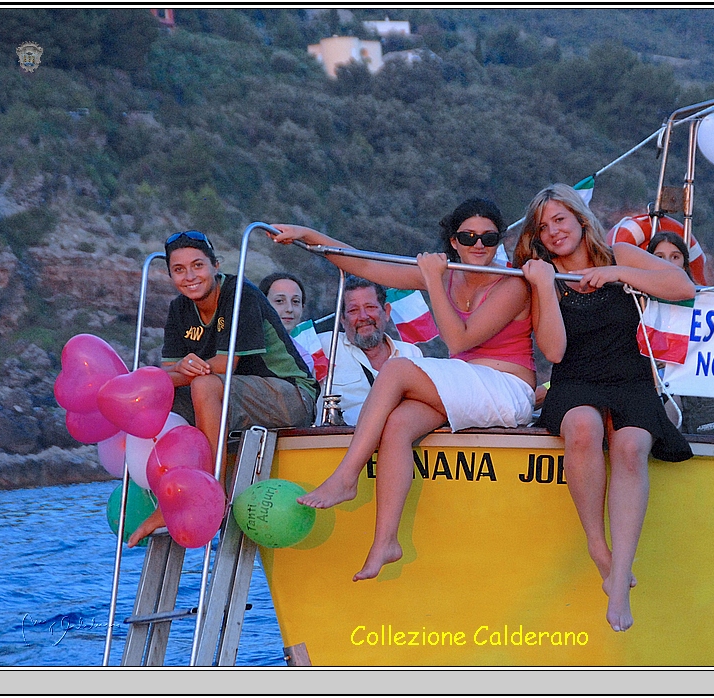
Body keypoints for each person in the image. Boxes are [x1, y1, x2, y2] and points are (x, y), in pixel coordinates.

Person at [271, 198, 535, 581]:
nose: (479, 245)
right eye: (469, 237)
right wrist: (308, 235)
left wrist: (431, 280)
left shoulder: (512, 283)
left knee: (395, 370)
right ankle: (386, 541)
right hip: (464, 385)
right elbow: (363, 264)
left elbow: (458, 341)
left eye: (489, 238)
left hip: (506, 389)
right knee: (397, 424)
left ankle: (346, 476)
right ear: (454, 241)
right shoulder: (446, 273)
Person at [515, 184, 694, 633]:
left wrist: (618, 275)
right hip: (576, 380)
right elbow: (554, 351)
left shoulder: (617, 253)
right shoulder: (546, 275)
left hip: (630, 378)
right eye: (544, 227)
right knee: (581, 428)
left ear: (579, 217)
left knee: (632, 447)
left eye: (560, 219)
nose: (554, 231)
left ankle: (618, 581)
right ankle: (599, 549)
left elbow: (681, 285)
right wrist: (542, 286)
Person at [128, 231, 318, 547]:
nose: (189, 276)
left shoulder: (239, 294)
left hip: (292, 394)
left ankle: (211, 487)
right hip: (232, 397)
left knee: (203, 385)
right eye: (179, 269)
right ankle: (169, 497)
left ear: (216, 265)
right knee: (157, 397)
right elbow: (166, 375)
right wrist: (172, 373)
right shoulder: (179, 309)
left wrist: (181, 371)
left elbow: (225, 366)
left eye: (198, 265)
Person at [647, 232, 714, 438]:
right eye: (659, 257)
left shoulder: (706, 303)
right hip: (657, 392)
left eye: (675, 257)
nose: (668, 263)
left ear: (685, 264)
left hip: (702, 393)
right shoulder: (636, 303)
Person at [317, 275, 423, 426]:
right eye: (353, 310)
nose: (363, 316)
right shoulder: (325, 347)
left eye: (370, 307)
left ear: (386, 312)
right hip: (339, 444)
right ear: (342, 319)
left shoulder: (412, 354)